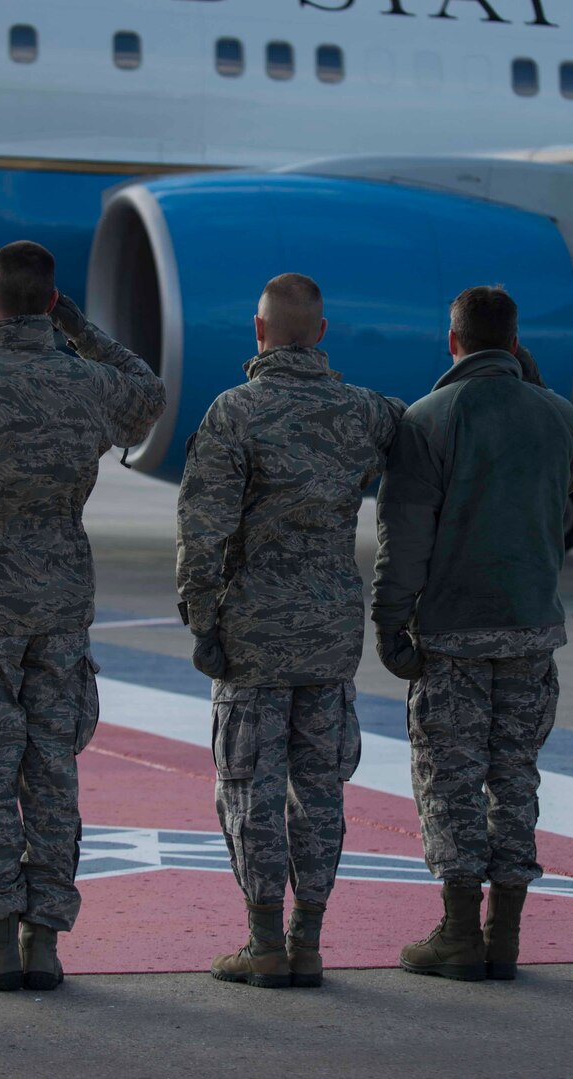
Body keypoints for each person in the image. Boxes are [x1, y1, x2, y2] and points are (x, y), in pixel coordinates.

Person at [0, 240, 164, 992]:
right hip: (61, 604)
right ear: (50, 302)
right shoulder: (88, 383)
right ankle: (44, 938)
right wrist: (78, 330)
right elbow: (148, 390)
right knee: (52, 769)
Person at [175, 273, 405, 989]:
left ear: (259, 330)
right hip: (330, 634)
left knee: (251, 788)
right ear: (323, 333)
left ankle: (265, 942)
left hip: (254, 637)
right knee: (322, 789)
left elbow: (202, 529)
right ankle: (309, 940)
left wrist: (201, 617)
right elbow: (422, 428)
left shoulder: (235, 412)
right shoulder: (364, 412)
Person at [371, 287, 573, 982]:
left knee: (452, 781)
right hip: (531, 629)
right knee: (515, 777)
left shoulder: (428, 419)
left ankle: (460, 930)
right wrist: (534, 381)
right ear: (516, 342)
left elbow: (402, 537)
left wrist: (389, 621)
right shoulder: (559, 417)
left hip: (455, 632)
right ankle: (506, 933)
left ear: (452, 341)